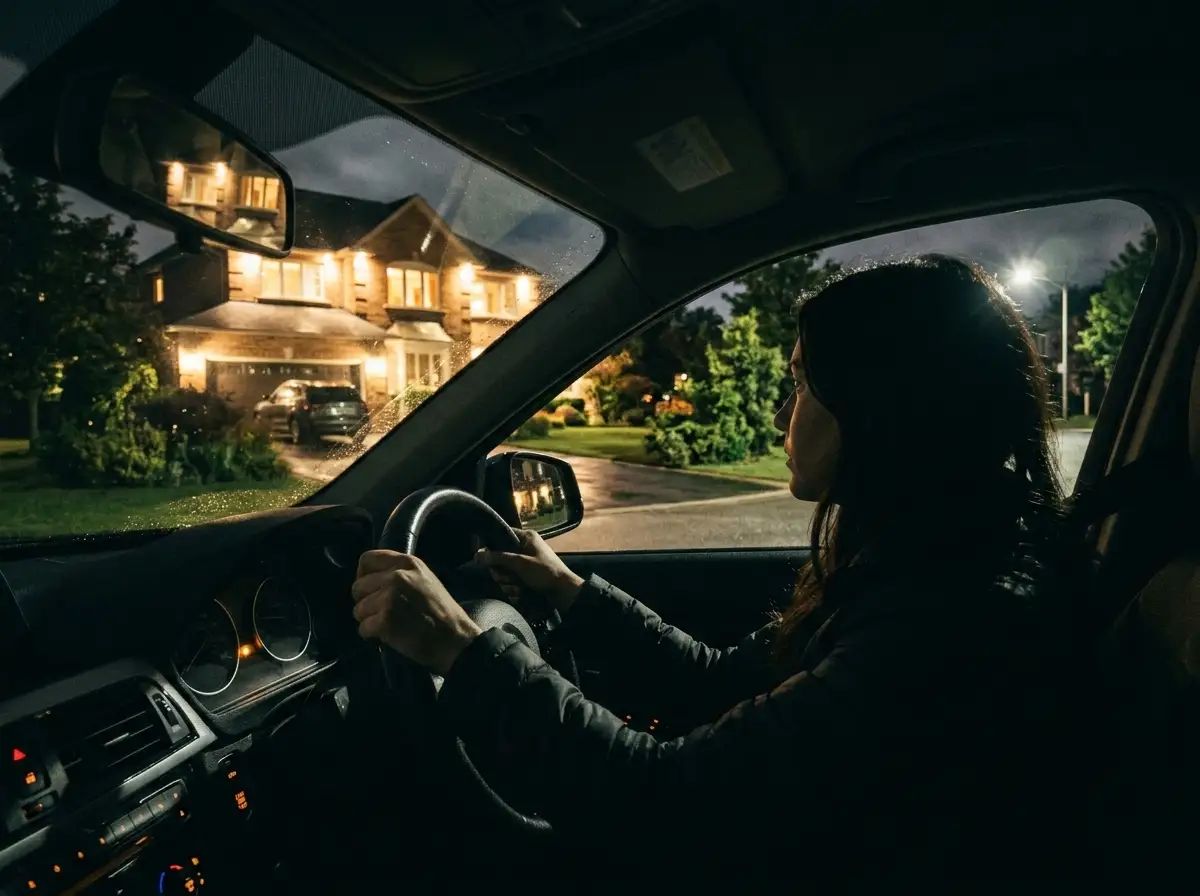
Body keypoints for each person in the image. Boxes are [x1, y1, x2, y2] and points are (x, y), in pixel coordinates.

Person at [351, 256, 1080, 880]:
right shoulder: (929, 558)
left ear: (882, 403)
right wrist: (574, 595)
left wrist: (466, 651)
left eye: (803, 384)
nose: (782, 415)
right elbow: (721, 681)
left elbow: (667, 799)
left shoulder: (943, 620)